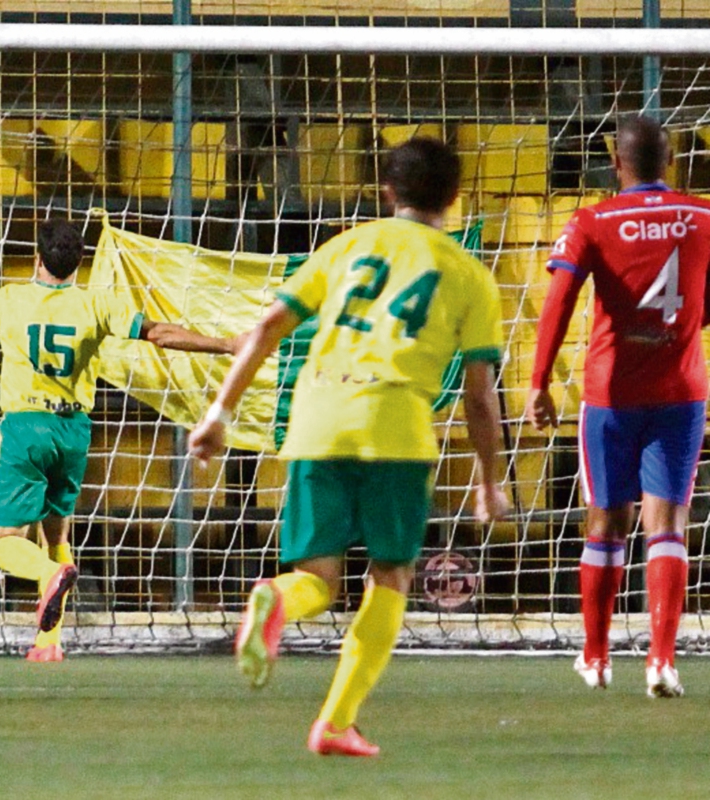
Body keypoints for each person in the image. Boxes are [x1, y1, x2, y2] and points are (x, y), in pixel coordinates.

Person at [189, 137, 508, 756]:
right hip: (396, 425)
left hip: (317, 418)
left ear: (387, 191)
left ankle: (275, 599)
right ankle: (335, 721)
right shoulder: (469, 273)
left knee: (314, 577)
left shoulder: (346, 246)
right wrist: (489, 479)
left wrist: (218, 413)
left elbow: (263, 330)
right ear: (456, 196)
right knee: (390, 575)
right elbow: (479, 395)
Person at [0, 219, 238, 662]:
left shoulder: (12, 298)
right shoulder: (99, 304)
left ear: (38, 257)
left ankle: (49, 574)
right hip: (74, 433)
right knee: (56, 531)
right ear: (79, 263)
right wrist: (226, 344)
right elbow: (160, 334)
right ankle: (49, 642)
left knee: (3, 545)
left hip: (26, 428)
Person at [527, 115, 710, 698]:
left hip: (610, 395)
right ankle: (662, 661)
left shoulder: (592, 220)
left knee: (606, 521)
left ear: (616, 161)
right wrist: (679, 329)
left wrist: (538, 381)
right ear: (672, 159)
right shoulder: (705, 218)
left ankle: (597, 656)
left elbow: (558, 302)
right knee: (669, 524)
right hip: (681, 391)